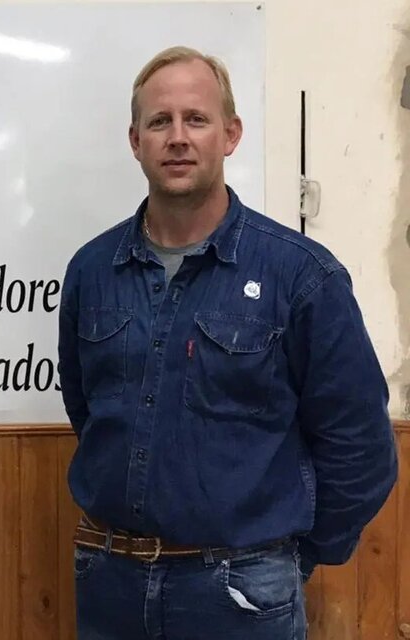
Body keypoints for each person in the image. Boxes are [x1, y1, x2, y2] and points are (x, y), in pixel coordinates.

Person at [56, 45, 398, 640]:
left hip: (242, 592)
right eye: (159, 122)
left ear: (231, 134)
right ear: (135, 141)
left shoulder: (302, 276)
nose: (178, 137)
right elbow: (87, 408)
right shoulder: (92, 271)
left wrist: (296, 557)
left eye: (197, 119)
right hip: (109, 582)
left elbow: (360, 446)